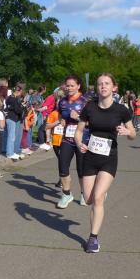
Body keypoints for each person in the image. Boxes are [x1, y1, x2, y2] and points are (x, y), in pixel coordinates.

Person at [75, 73, 136, 253]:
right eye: (100, 83)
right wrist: (79, 143)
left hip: (109, 158)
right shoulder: (90, 107)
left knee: (98, 198)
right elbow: (79, 131)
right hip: (90, 157)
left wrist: (127, 132)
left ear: (114, 87)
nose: (103, 86)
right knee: (88, 200)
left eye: (107, 83)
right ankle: (100, 193)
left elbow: (133, 134)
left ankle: (93, 238)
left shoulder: (121, 110)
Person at [56, 76, 87, 208]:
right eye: (67, 85)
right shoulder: (62, 101)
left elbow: (93, 122)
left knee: (81, 169)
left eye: (72, 85)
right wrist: (62, 120)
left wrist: (79, 118)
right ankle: (66, 194)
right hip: (67, 139)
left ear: (78, 86)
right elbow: (60, 115)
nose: (69, 88)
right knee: (62, 166)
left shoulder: (86, 101)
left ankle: (84, 194)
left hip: (82, 140)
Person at [4, 84, 26, 160]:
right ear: (18, 91)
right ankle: (9, 153)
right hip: (11, 118)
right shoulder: (14, 99)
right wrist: (23, 107)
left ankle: (9, 151)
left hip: (10, 118)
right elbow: (17, 110)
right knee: (11, 136)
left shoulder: (9, 98)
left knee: (10, 136)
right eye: (21, 92)